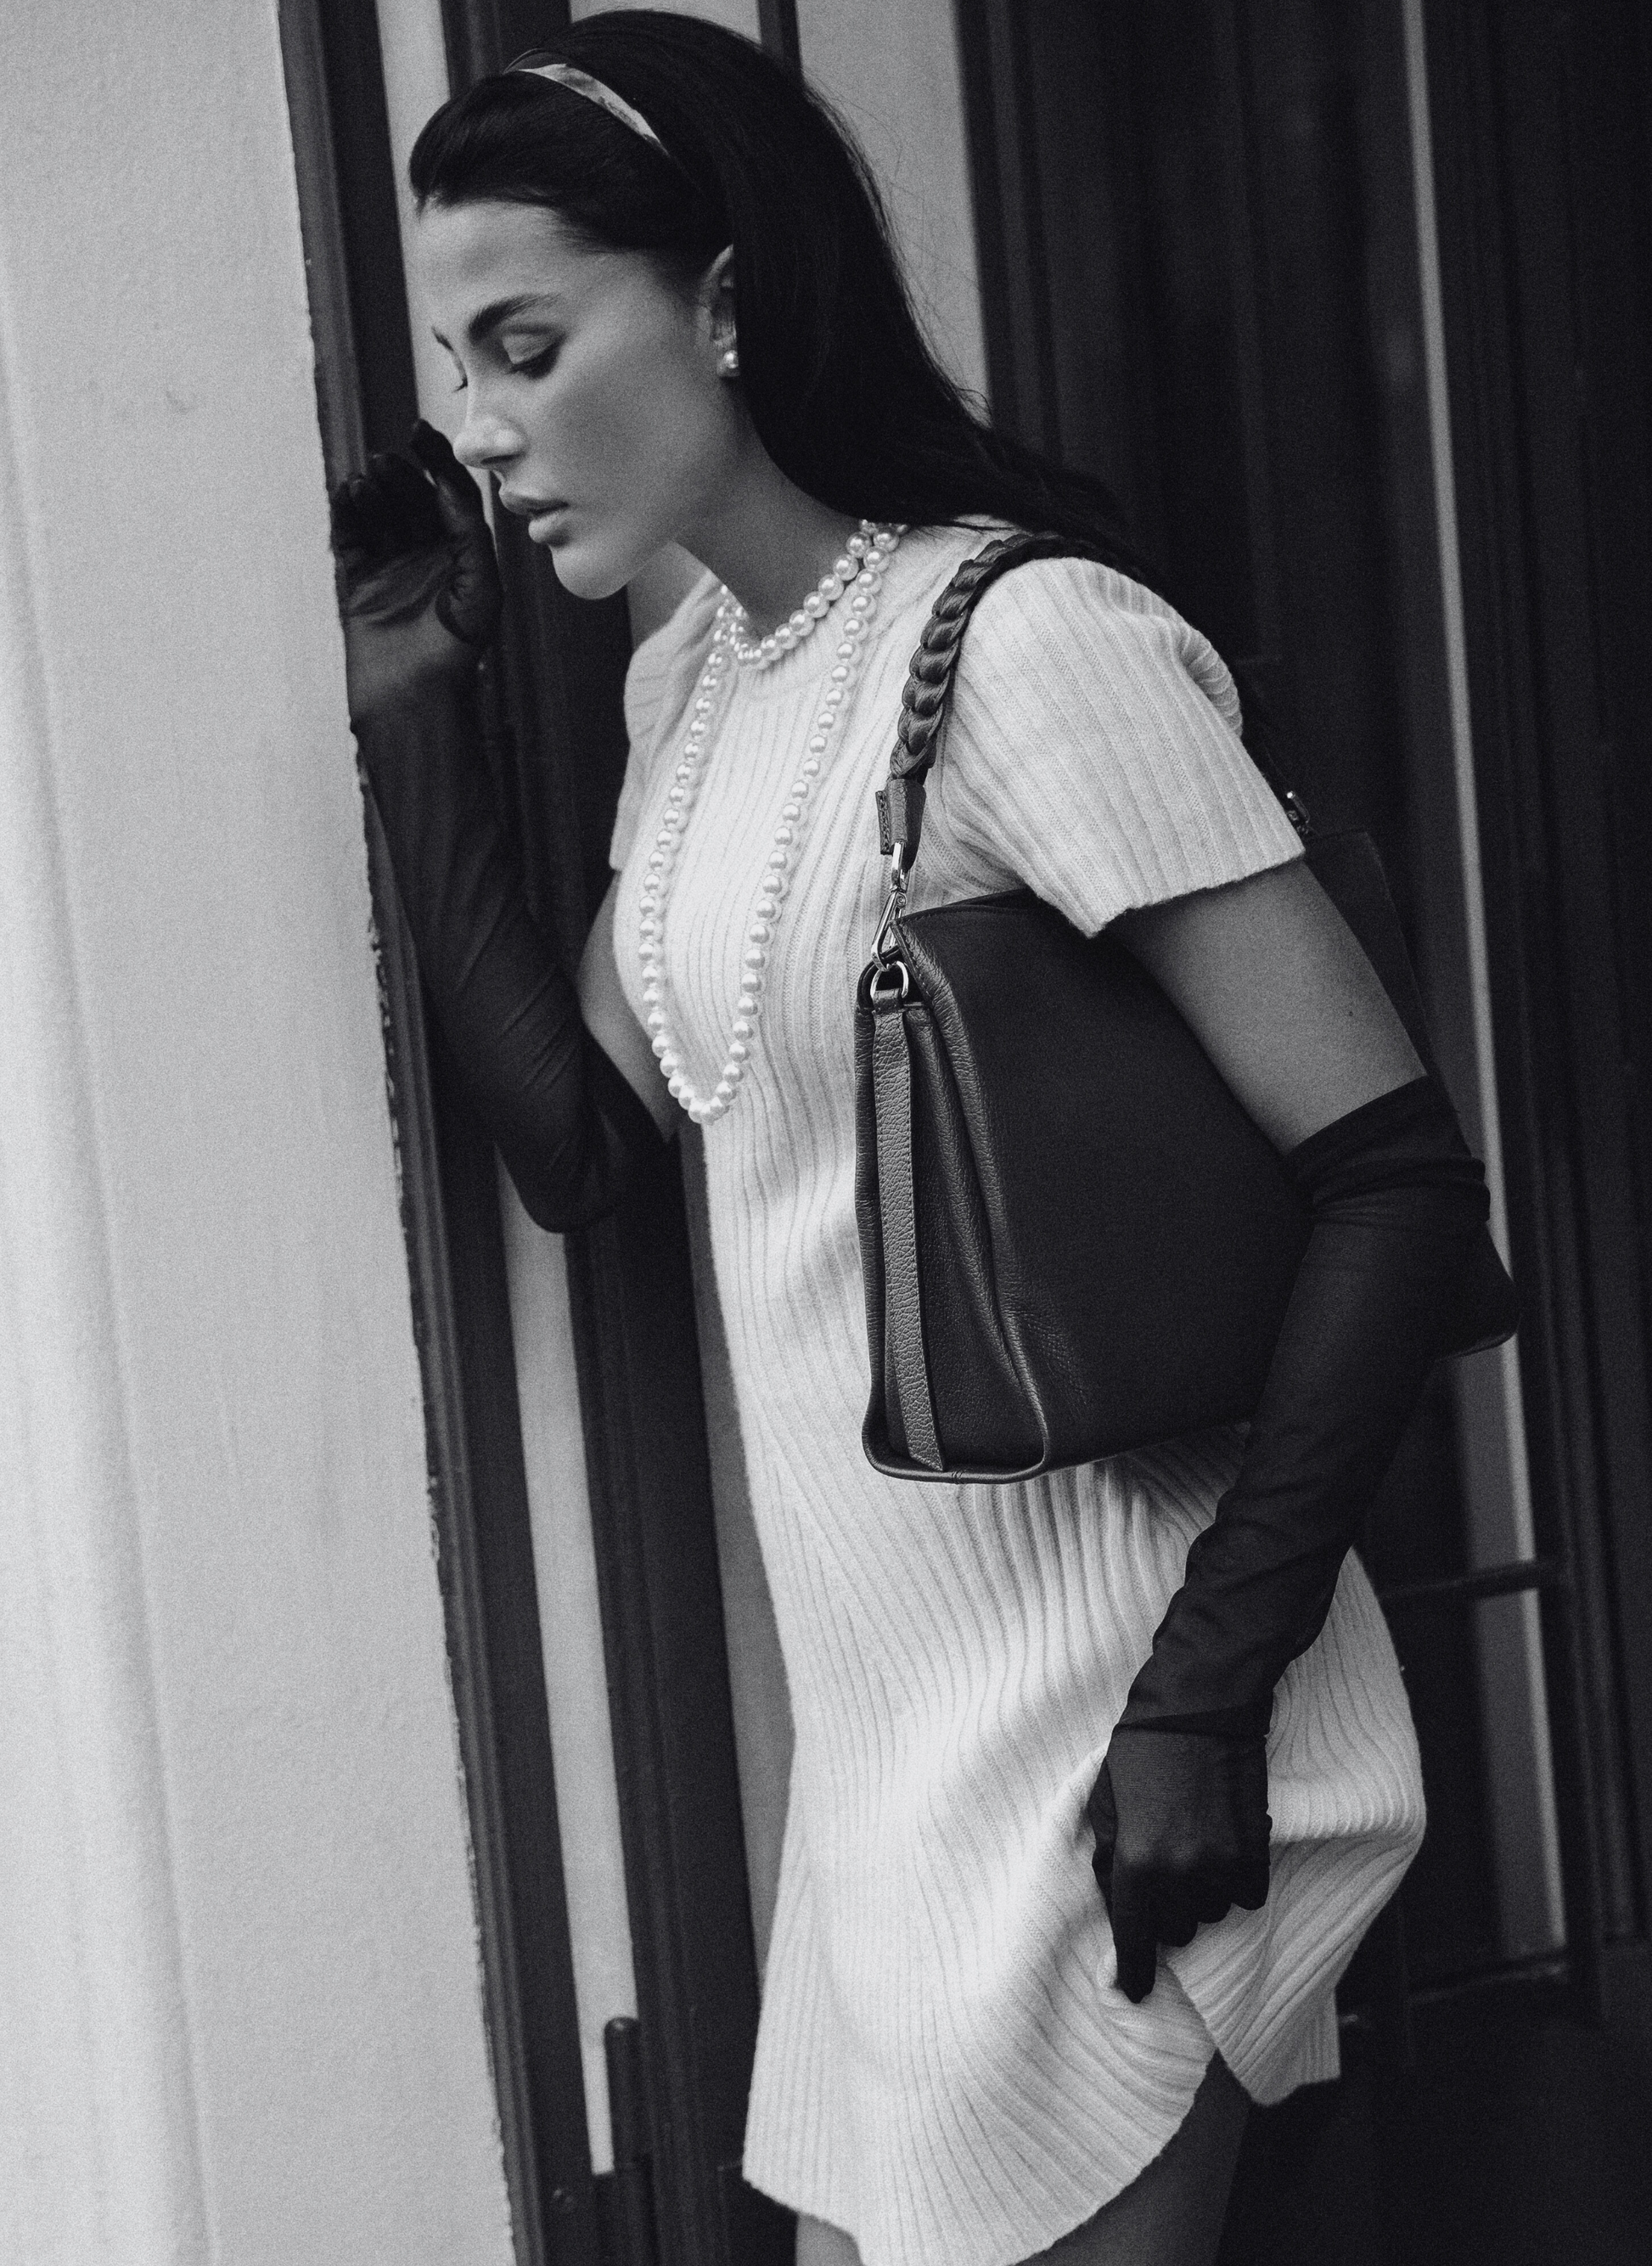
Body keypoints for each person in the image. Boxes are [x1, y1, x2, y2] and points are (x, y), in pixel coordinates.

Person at [330, 16, 1486, 2264]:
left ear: (724, 298)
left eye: (526, 347)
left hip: (1114, 1727)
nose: (478, 426)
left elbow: (1396, 1183)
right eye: (457, 368)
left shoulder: (1031, 645)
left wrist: (1201, 1707)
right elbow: (590, 1148)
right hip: (885, 1784)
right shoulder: (696, 683)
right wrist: (416, 718)